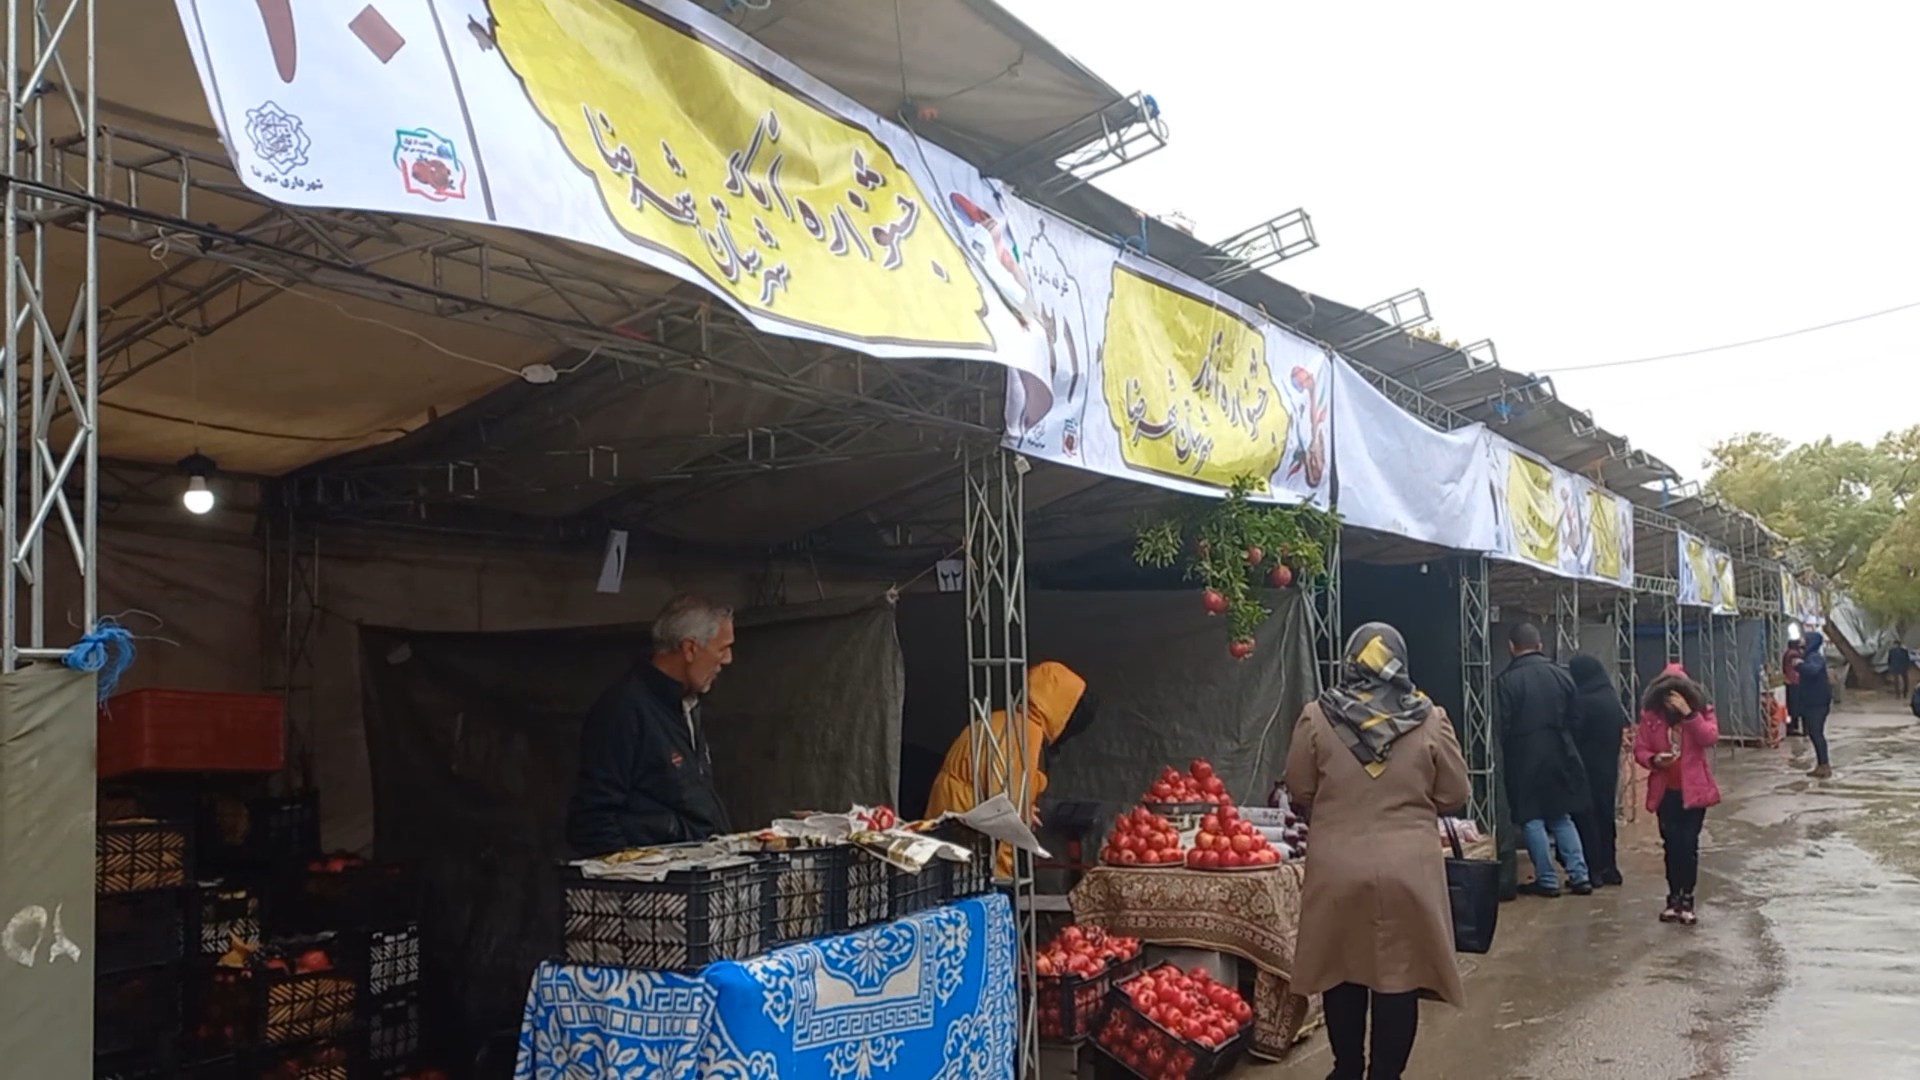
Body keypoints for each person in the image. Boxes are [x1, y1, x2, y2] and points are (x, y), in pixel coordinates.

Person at [1284, 623, 1469, 1080]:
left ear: (1350, 660)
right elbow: (1455, 793)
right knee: (1398, 980)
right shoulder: (1428, 718)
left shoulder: (1317, 716)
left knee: (1342, 972)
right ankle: (1386, 1075)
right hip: (1409, 870)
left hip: (1337, 866)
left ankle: (1346, 1069)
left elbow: (1300, 787)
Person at [565, 595, 736, 857]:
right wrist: (634, 880)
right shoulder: (623, 710)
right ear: (690, 649)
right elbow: (592, 820)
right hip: (655, 889)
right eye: (722, 648)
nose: (728, 660)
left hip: (697, 878)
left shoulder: (688, 705)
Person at [925, 660, 1094, 877]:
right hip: (968, 843)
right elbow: (1004, 811)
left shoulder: (1001, 720)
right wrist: (1004, 874)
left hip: (950, 825)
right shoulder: (1027, 734)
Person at [1493, 622, 1593, 897]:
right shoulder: (1562, 676)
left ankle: (1547, 880)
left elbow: (1502, 725)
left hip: (1523, 757)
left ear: (1512, 647)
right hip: (1561, 752)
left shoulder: (1506, 681)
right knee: (1562, 816)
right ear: (1539, 645)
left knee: (1532, 818)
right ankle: (1580, 875)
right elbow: (1577, 717)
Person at [1632, 663, 1721, 925]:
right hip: (1666, 792)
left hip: (1694, 792)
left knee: (1688, 844)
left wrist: (1689, 714)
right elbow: (1640, 749)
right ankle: (1673, 897)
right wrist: (1654, 759)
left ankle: (1688, 899)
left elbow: (1709, 738)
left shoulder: (1702, 713)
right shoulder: (1651, 717)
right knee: (1671, 845)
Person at [1567, 654, 1629, 888]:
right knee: (1606, 818)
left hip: (1586, 770)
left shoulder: (1584, 701)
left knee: (1587, 820)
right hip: (1608, 769)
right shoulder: (1610, 696)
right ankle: (1610, 867)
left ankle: (1594, 870)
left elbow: (1575, 733)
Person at [1798, 630, 1834, 779]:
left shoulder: (1814, 657)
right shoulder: (1810, 657)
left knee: (1816, 733)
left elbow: (1811, 671)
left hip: (1817, 703)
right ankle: (1822, 764)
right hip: (1813, 701)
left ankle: (1824, 765)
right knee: (1814, 733)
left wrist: (1800, 666)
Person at [1782, 638, 1805, 737]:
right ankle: (1792, 727)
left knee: (1791, 706)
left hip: (1790, 681)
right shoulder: (1793, 654)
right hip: (1794, 682)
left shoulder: (1788, 653)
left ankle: (1792, 726)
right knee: (1794, 706)